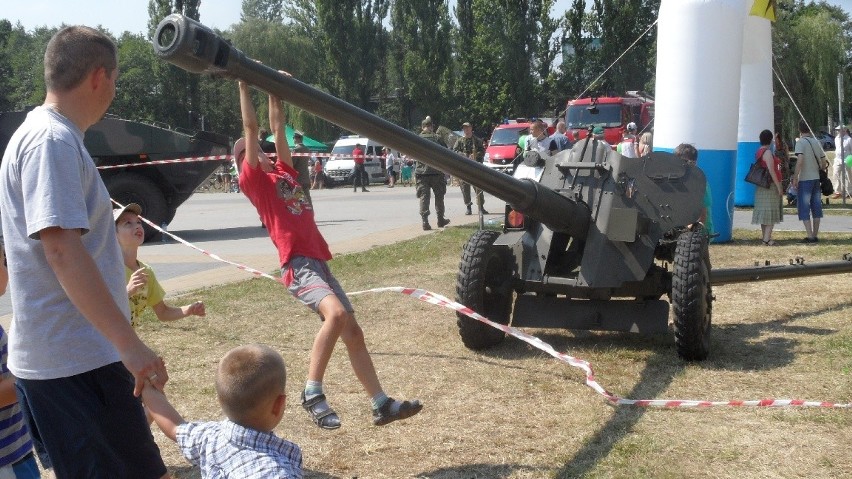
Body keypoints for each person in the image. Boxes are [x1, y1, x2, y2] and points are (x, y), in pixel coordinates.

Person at [0, 25, 168, 477]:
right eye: (115, 78)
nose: (114, 89)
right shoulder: (50, 142)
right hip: (75, 363)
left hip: (71, 359)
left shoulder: (49, 136)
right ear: (99, 77)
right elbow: (61, 251)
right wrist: (128, 345)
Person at [236, 79, 422, 429]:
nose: (260, 150)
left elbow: (277, 127)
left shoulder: (283, 172)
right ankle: (312, 391)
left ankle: (381, 403)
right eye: (250, 150)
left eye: (261, 148)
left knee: (353, 333)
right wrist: (246, 85)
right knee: (335, 316)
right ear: (244, 161)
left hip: (317, 262)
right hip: (297, 264)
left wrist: (275, 89)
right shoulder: (254, 181)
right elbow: (252, 126)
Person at [142, 344, 302, 478]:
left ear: (219, 400)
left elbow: (174, 427)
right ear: (279, 404)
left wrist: (150, 386)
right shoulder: (277, 472)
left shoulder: (208, 437)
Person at [114, 202, 206, 326]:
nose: (136, 226)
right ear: (113, 235)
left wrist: (189, 310)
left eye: (138, 222)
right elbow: (96, 309)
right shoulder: (107, 269)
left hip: (124, 341)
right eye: (127, 223)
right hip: (99, 342)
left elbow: (163, 312)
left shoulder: (146, 272)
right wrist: (127, 291)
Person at [0, 246, 40, 478]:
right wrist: (30, 374)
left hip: (15, 446)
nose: (9, 267)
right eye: (4, 260)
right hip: (7, 459)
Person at [793, 119, 827, 243]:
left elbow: (800, 160)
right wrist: (820, 169)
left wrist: (795, 176)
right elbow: (823, 161)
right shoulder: (816, 142)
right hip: (816, 179)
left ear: (799, 130)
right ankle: (815, 234)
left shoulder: (800, 143)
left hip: (805, 178)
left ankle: (809, 235)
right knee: (816, 206)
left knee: (804, 207)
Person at [416, 116, 451, 231]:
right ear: (431, 126)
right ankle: (440, 219)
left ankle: (425, 221)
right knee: (439, 197)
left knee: (424, 197)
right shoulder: (437, 138)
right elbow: (446, 152)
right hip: (436, 172)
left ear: (422, 127)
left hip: (422, 173)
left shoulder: (417, 138)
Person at [751, 130, 784, 245]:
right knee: (770, 212)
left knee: (764, 213)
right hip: (769, 185)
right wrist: (779, 186)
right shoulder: (768, 153)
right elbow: (772, 171)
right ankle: (766, 239)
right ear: (770, 140)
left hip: (761, 185)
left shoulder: (759, 151)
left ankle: (766, 237)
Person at [672, 143, 714, 236]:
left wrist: (692, 227)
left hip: (698, 231)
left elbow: (703, 210)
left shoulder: (699, 182)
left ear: (693, 163)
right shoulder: (675, 179)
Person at [453, 122, 487, 215]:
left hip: (475, 168)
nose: (466, 130)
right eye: (464, 128)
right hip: (464, 169)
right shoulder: (460, 141)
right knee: (465, 188)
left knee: (478, 188)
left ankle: (481, 207)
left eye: (467, 128)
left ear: (471, 128)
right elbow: (455, 151)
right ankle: (468, 207)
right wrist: (465, 155)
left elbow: (482, 152)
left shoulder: (477, 140)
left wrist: (475, 155)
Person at [292, 132, 313, 205]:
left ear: (296, 138)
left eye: (293, 138)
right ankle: (310, 212)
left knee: (300, 198)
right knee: (307, 196)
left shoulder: (296, 149)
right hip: (306, 177)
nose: (293, 140)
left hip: (298, 178)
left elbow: (292, 163)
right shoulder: (307, 149)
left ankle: (303, 213)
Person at [831, 125, 851, 199]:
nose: (838, 131)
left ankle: (849, 192)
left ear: (845, 130)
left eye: (840, 130)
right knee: (835, 174)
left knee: (848, 176)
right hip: (837, 160)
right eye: (838, 130)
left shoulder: (849, 139)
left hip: (847, 159)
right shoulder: (836, 138)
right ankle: (837, 191)